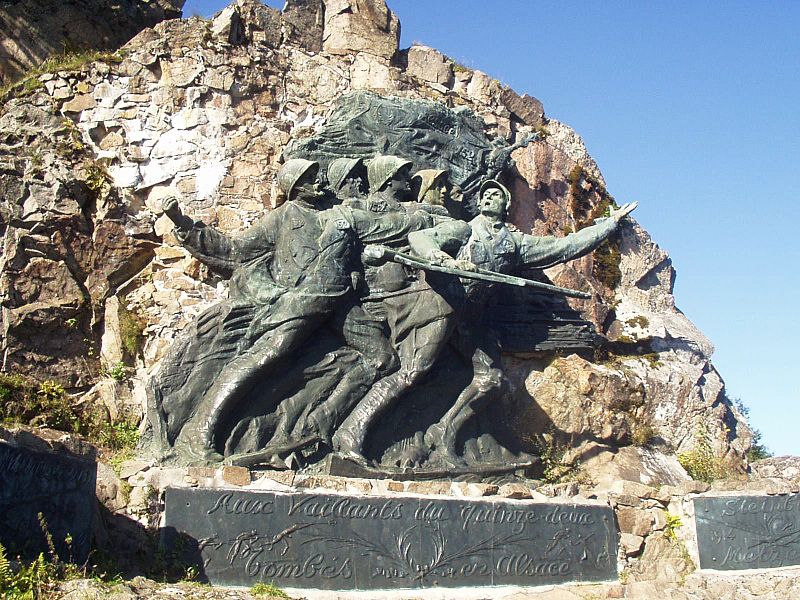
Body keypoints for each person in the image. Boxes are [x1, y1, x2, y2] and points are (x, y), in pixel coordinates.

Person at [408, 179, 638, 465]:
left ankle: (442, 433)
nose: (489, 197)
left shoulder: (514, 243)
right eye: (486, 194)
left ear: (506, 207)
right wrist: (440, 258)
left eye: (496, 194)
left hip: (474, 318)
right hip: (442, 305)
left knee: (490, 381)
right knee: (413, 370)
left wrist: (608, 224)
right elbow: (421, 239)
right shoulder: (464, 228)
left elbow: (564, 247)